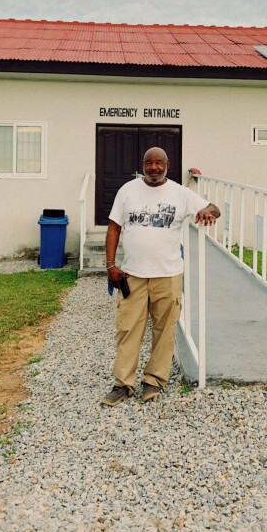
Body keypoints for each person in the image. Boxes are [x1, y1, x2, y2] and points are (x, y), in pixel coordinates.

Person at [101, 147, 220, 406]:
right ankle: (123, 384)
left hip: (168, 275)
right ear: (143, 164)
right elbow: (113, 228)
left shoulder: (180, 192)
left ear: (168, 164)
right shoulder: (127, 190)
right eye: (149, 163)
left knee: (164, 330)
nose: (154, 167)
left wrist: (207, 212)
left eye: (159, 163)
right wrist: (111, 265)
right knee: (127, 329)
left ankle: (154, 380)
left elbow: (214, 208)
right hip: (132, 274)